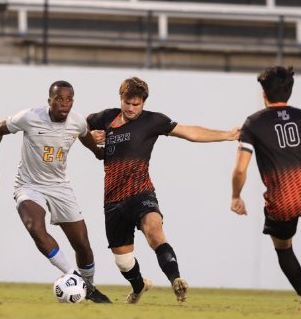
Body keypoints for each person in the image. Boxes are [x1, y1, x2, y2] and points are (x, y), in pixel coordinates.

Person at [83, 76, 240, 304]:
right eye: (127, 102)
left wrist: (227, 135)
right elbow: (75, 126)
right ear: (121, 98)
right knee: (124, 262)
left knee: (154, 231)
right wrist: (89, 138)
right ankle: (139, 286)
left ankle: (176, 280)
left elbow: (190, 133)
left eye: (136, 104)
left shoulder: (152, 121)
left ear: (144, 102)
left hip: (141, 192)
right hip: (113, 200)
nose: (131, 108)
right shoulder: (106, 117)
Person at [0, 80, 111, 303]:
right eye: (59, 99)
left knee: (83, 245)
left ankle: (88, 284)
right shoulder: (30, 117)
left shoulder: (77, 121)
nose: (64, 104)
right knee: (35, 227)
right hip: (29, 185)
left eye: (69, 99)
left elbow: (85, 136)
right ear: (49, 101)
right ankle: (77, 280)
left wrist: (98, 153)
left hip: (60, 187)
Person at [231, 66, 301, 314]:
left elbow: (240, 170)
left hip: (282, 197)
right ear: (290, 92)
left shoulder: (253, 123)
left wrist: (236, 196)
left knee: (283, 247)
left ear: (264, 93)